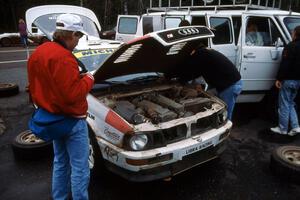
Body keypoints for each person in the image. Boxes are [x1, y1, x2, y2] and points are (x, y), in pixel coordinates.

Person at [27, 13, 94, 200]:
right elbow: (72, 95)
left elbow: (36, 86)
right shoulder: (65, 58)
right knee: (80, 167)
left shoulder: (39, 52)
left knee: (60, 162)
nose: (79, 41)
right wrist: (88, 80)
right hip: (72, 121)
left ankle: (59, 198)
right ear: (70, 34)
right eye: (78, 36)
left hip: (51, 119)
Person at [179, 46, 242, 120]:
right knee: (210, 106)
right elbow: (195, 71)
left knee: (224, 114)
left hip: (230, 85)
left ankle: (224, 130)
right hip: (221, 84)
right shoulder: (204, 52)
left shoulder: (200, 54)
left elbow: (194, 71)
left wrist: (181, 80)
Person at [270, 26, 300, 136]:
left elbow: (285, 64)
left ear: (295, 34)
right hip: (298, 81)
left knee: (284, 104)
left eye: (292, 32)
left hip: (288, 80)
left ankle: (282, 128)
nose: (291, 34)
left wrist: (279, 78)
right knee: (290, 103)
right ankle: (296, 127)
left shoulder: (290, 46)